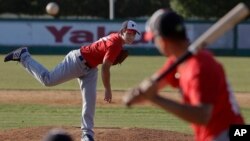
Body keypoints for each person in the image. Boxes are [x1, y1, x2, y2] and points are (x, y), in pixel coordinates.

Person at [4, 20, 140, 141]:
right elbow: (105, 67)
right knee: (48, 80)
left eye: (134, 34)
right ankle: (24, 56)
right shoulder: (116, 43)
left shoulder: (116, 40)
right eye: (129, 32)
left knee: (90, 101)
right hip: (77, 61)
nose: (131, 36)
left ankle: (87, 135)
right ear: (122, 31)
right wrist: (108, 89)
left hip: (90, 69)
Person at [127, 9, 245, 141]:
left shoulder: (200, 66)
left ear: (162, 41)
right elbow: (155, 83)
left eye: (154, 39)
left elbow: (202, 115)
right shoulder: (178, 61)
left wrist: (155, 99)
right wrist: (139, 92)